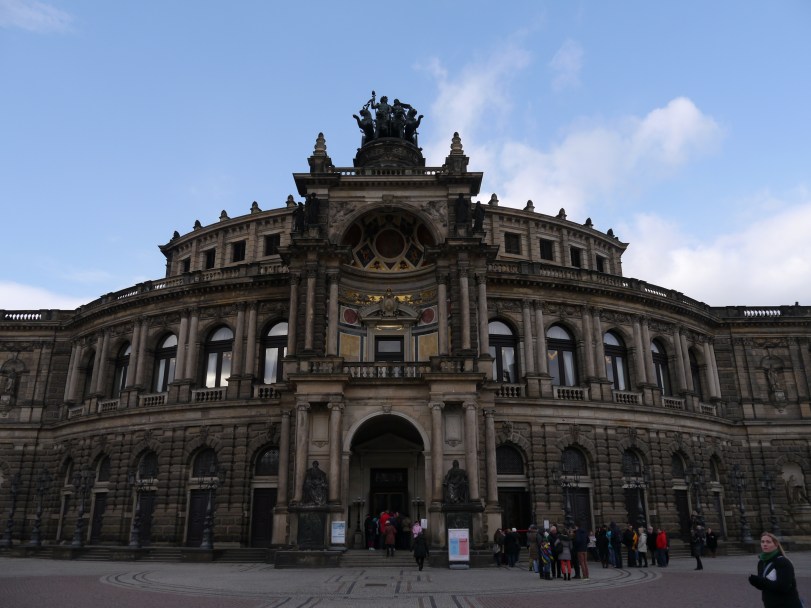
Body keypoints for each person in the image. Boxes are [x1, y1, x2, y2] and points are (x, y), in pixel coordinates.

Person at [748, 531, 803, 608]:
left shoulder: (783, 562)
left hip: (787, 604)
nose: (765, 544)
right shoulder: (761, 562)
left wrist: (760, 581)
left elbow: (783, 587)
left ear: (776, 545)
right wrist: (755, 582)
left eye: (768, 542)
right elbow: (764, 586)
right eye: (762, 542)